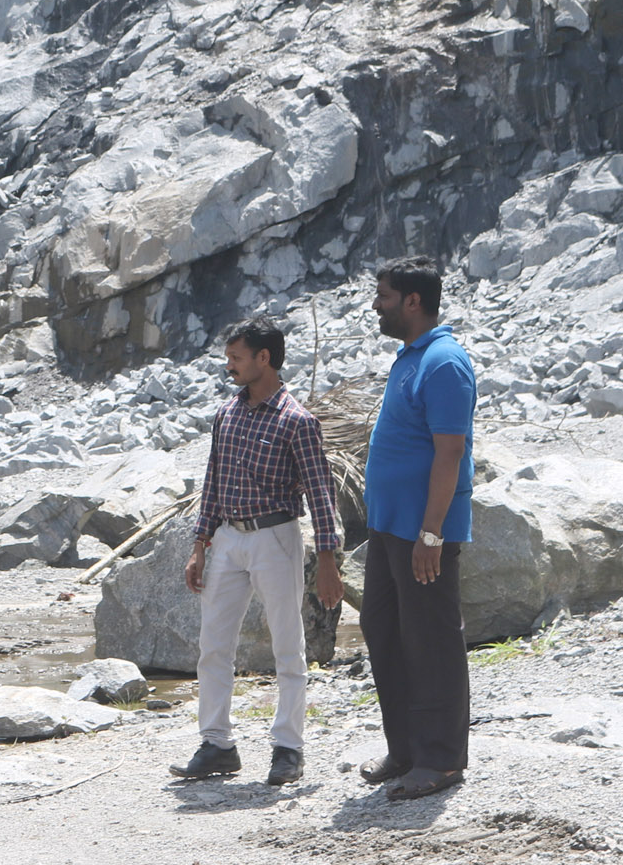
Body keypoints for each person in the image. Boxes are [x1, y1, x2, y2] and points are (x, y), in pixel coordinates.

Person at [171, 317, 344, 787]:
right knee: (213, 646)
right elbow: (213, 483)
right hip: (227, 538)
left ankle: (288, 748)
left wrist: (327, 559)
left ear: (263, 359)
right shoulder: (226, 415)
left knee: (288, 647)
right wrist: (200, 545)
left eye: (236, 359)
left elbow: (319, 493)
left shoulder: (298, 422)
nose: (229, 368)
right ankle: (217, 744)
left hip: (276, 538)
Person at [360, 257, 476, 801]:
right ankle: (406, 747)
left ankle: (441, 759)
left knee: (430, 640)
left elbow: (450, 452)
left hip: (422, 533)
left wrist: (432, 533)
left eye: (383, 295)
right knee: (384, 633)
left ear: (412, 301)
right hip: (390, 529)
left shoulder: (445, 362)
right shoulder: (411, 358)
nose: (375, 304)